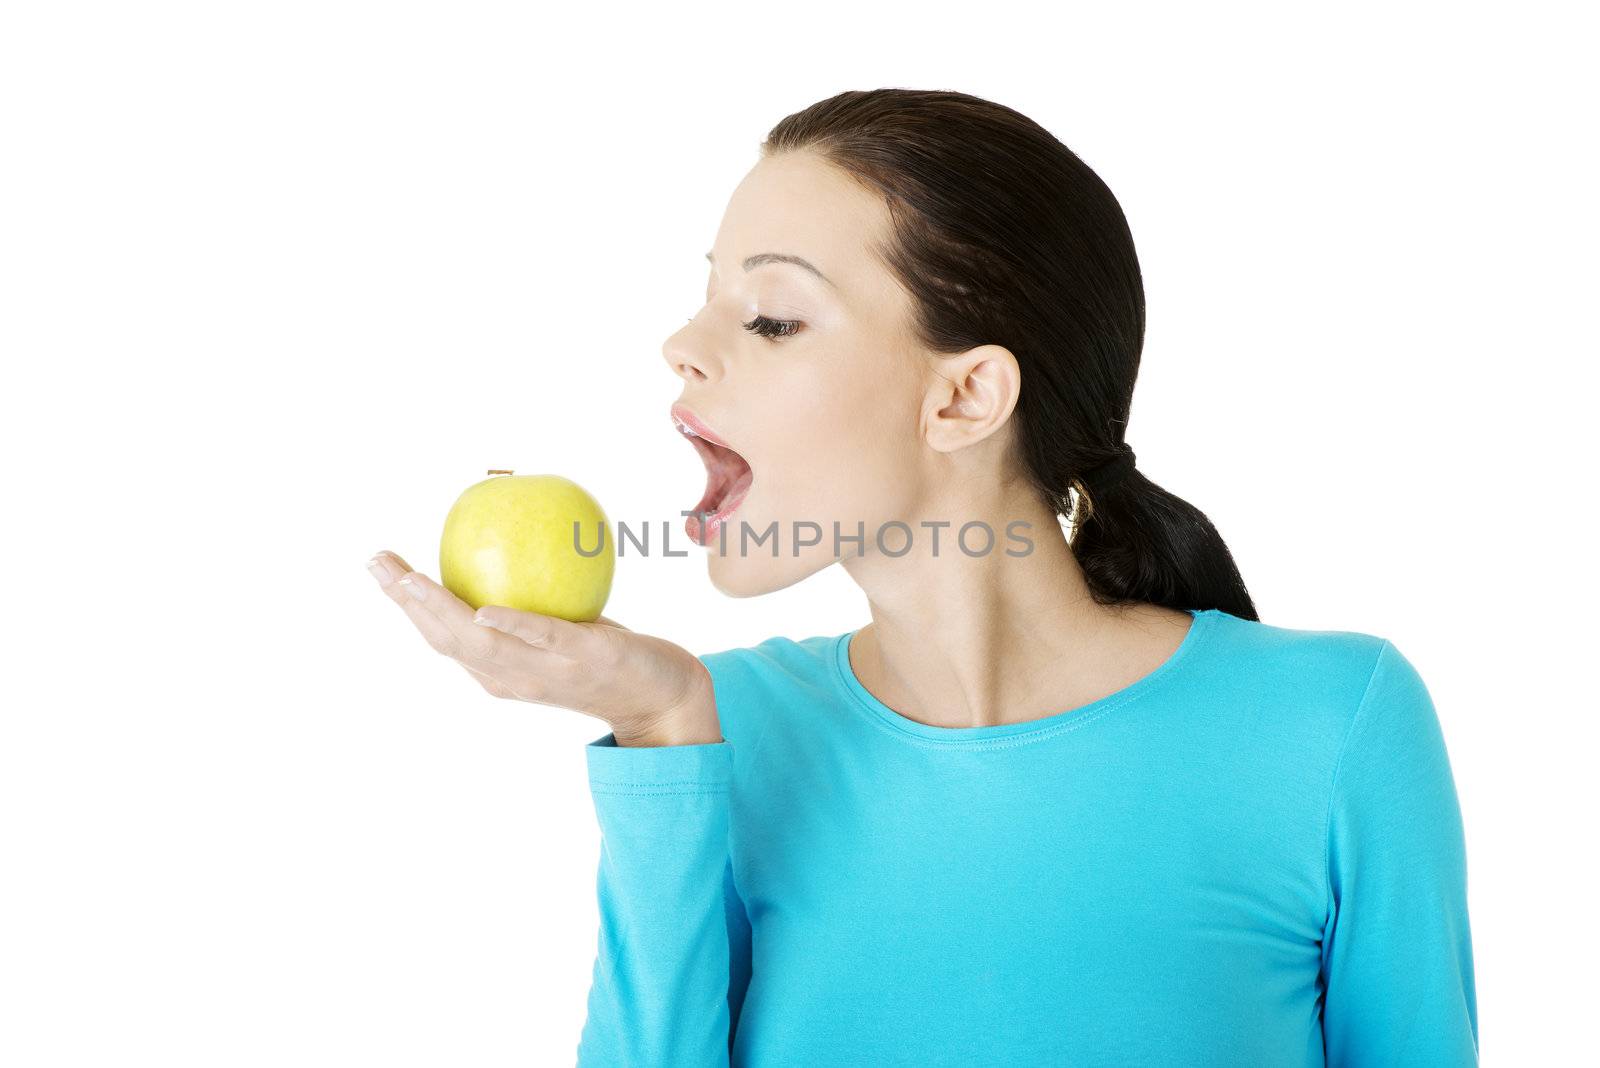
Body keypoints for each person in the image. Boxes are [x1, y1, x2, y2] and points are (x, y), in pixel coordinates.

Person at [366, 88, 1477, 1066]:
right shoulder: (715, 733)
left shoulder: (1333, 724)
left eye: (770, 316)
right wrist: (661, 727)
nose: (679, 346)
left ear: (963, 399)